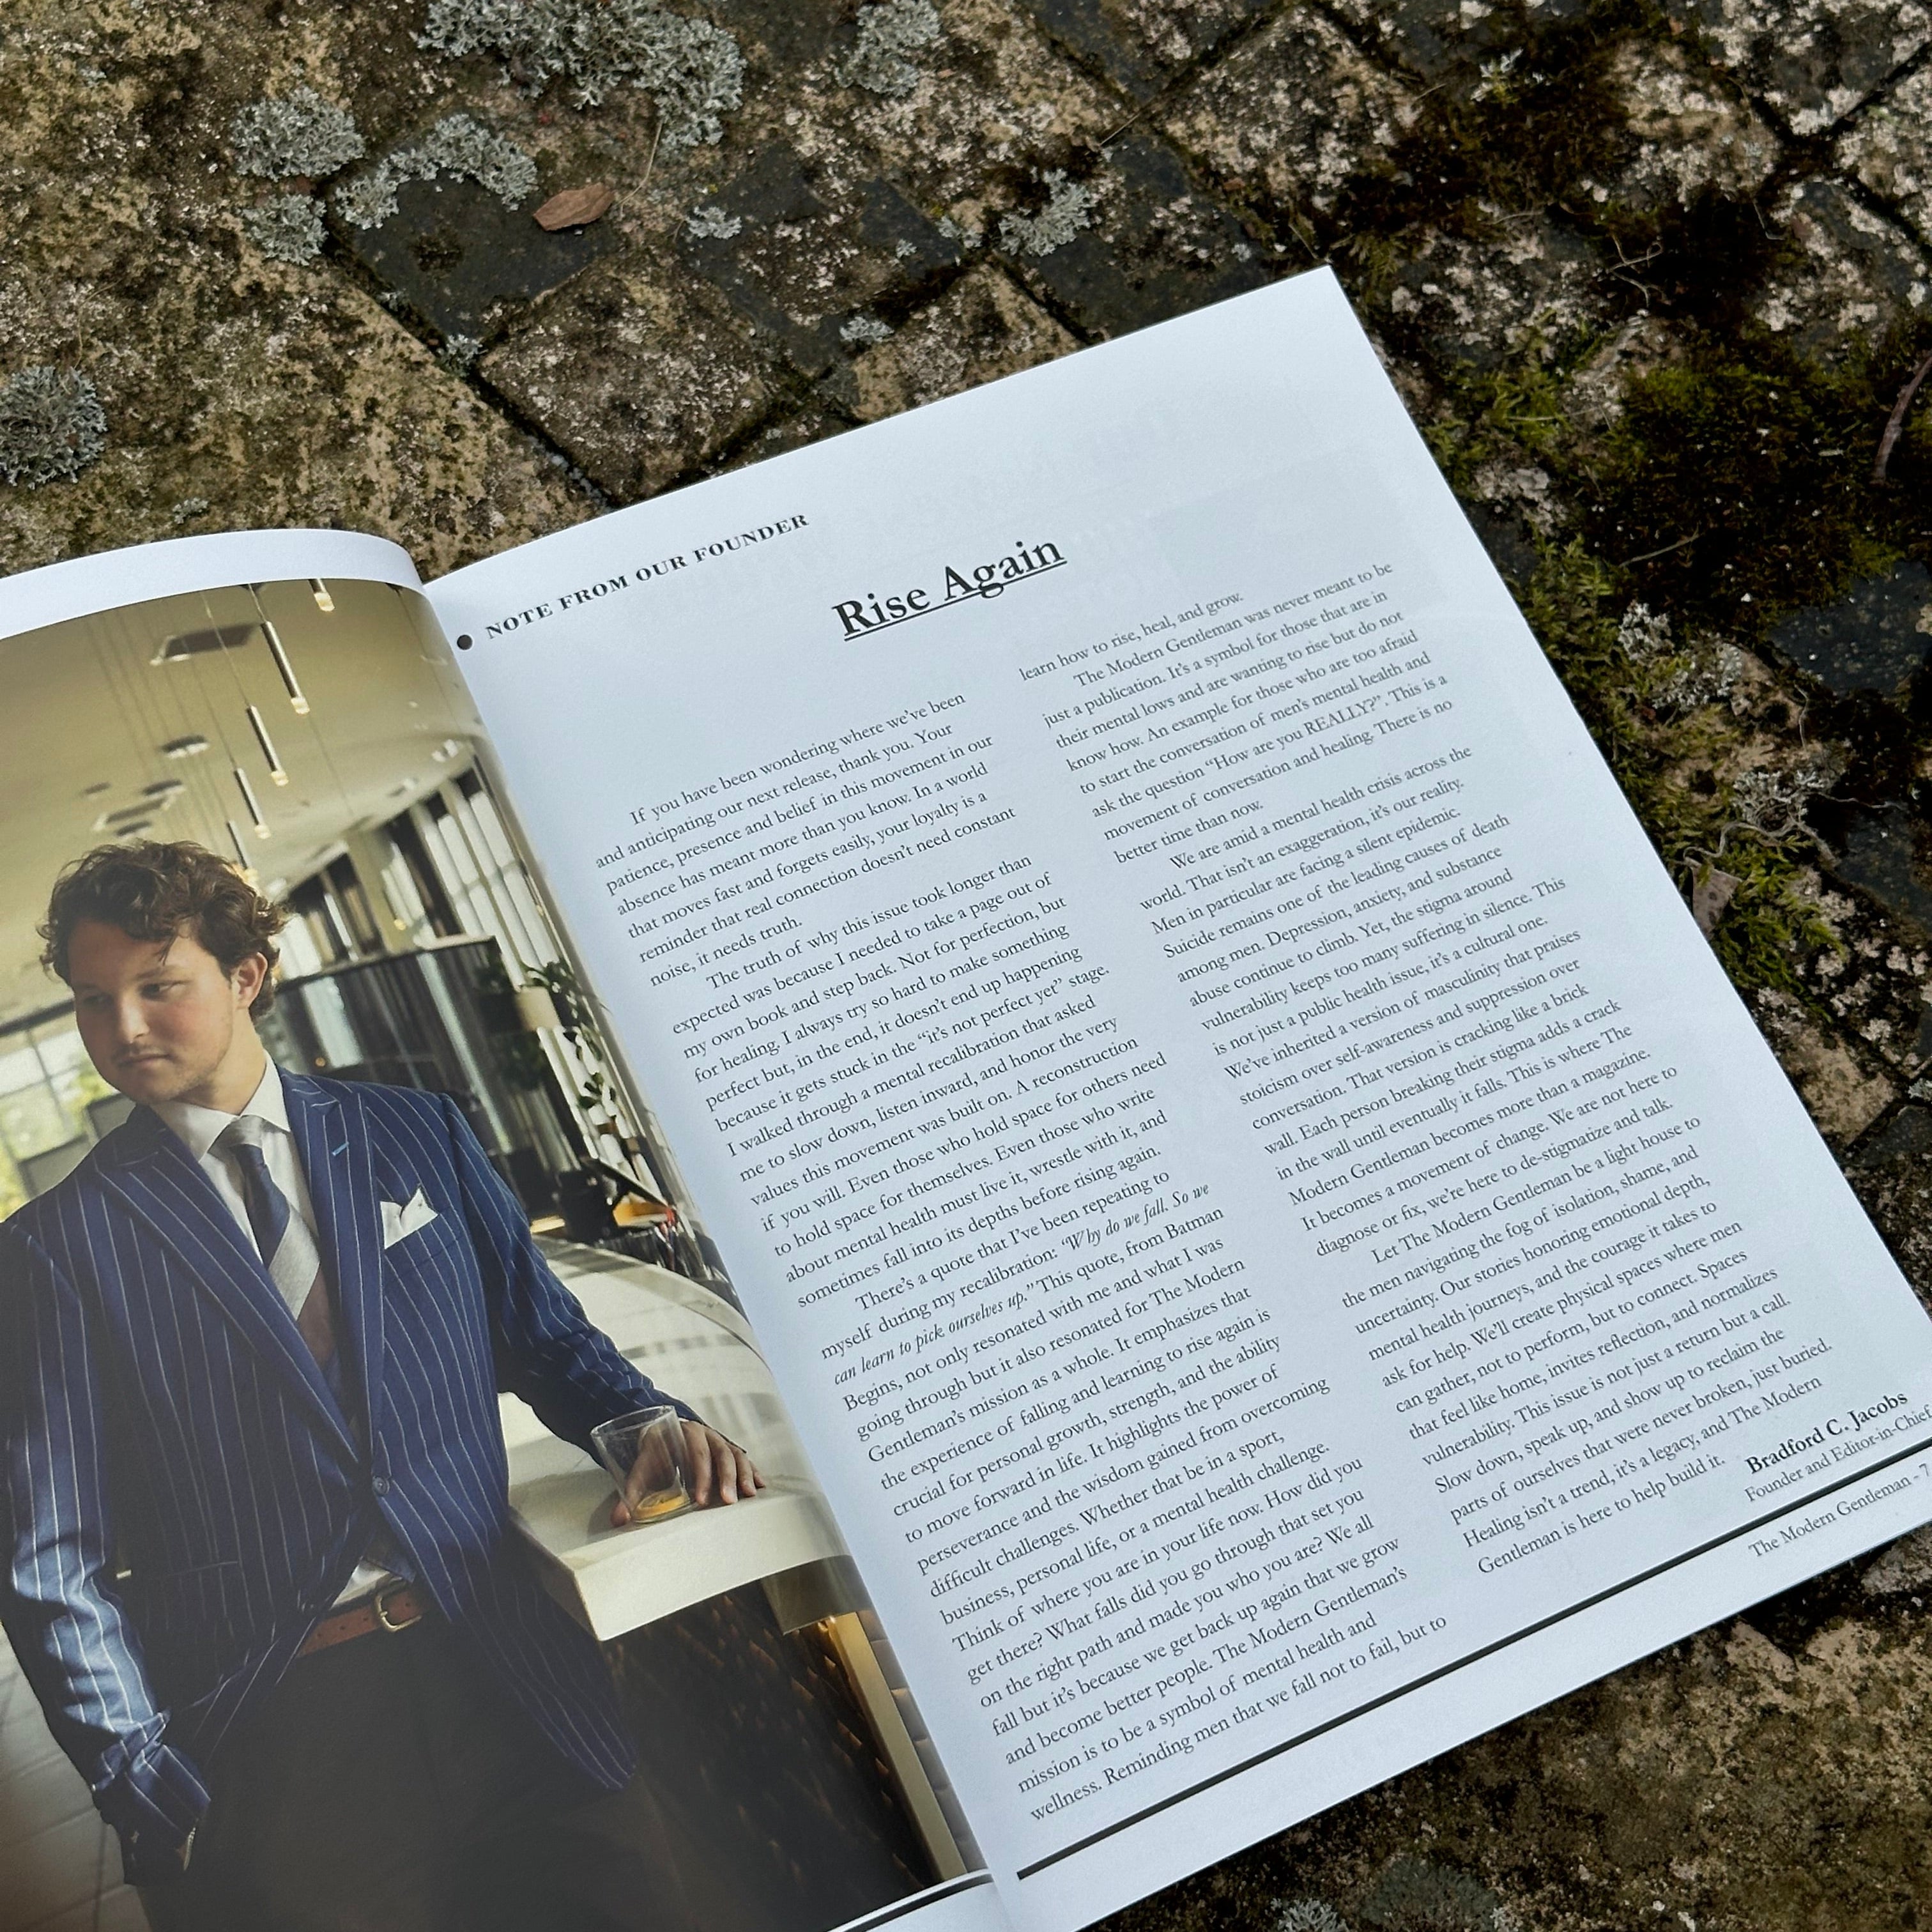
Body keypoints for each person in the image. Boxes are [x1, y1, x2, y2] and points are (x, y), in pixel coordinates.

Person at [0, 841, 763, 1931]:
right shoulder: (54, 1248)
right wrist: (137, 1772)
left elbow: (544, 1337)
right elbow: (46, 1559)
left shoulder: (415, 1131)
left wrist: (638, 1422)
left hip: (507, 1671)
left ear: (246, 976)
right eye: (92, 1000)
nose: (122, 1028)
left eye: (158, 986)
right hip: (278, 1732)